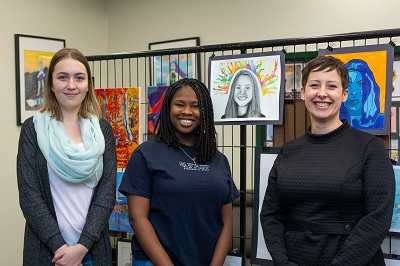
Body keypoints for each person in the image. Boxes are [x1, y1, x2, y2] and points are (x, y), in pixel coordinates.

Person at [260, 55, 395, 266]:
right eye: (314, 85)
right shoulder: (289, 151)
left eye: (331, 86)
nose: (322, 93)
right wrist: (282, 262)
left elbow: (377, 219)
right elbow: (271, 215)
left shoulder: (370, 148)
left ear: (344, 94)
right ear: (303, 92)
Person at [119, 78, 240, 265]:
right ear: (168, 108)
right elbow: (138, 218)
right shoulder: (146, 154)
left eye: (195, 106)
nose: (187, 112)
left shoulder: (219, 160)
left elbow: (226, 223)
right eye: (179, 104)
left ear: (205, 112)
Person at [17, 48, 117, 266]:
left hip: (92, 251)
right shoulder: (32, 130)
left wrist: (81, 248)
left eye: (79, 78)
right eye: (63, 77)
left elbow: (106, 194)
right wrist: (61, 249)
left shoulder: (102, 131)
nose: (71, 85)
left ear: (88, 84)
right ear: (51, 84)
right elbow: (29, 196)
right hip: (49, 252)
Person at [340, 59, 384, 129]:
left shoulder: (381, 121)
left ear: (369, 89)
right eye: (349, 84)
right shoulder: (333, 122)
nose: (354, 92)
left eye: (360, 85)